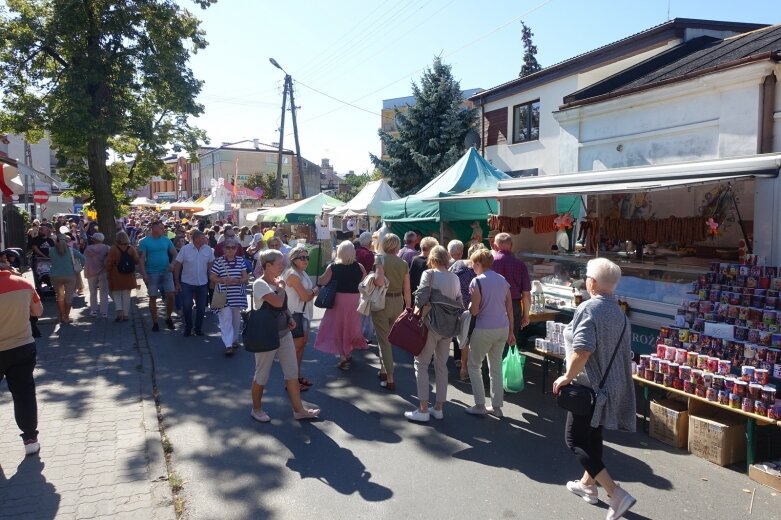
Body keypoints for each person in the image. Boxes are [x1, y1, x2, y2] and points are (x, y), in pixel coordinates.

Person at [553, 258, 636, 520]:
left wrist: (567, 376)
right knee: (593, 437)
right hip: (608, 389)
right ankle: (588, 485)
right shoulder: (620, 314)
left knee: (575, 440)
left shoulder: (589, 308)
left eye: (587, 277)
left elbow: (583, 349)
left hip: (588, 388)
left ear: (593, 282)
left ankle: (615, 492)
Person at [250, 249, 320, 422]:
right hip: (266, 336)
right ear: (267, 266)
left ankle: (299, 409)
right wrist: (281, 288)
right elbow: (278, 301)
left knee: (292, 372)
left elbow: (283, 306)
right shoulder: (260, 284)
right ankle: (256, 409)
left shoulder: (277, 281)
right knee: (262, 375)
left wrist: (289, 317)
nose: (282, 266)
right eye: (279, 263)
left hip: (284, 333)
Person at [404, 245, 463, 422]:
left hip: (431, 323)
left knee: (421, 364)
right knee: (441, 366)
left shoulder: (429, 274)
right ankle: (438, 408)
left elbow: (421, 298)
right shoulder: (454, 277)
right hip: (449, 327)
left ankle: (422, 409)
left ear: (433, 259)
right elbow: (459, 300)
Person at [0, 260, 44, 456]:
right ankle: (30, 438)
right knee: (24, 393)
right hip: (22, 346)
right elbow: (38, 311)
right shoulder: (24, 284)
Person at [465, 248, 514, 417]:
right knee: (496, 367)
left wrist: (470, 307)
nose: (472, 267)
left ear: (478, 264)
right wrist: (511, 331)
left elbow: (475, 311)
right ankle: (497, 406)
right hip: (502, 327)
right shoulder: (502, 280)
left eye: (473, 264)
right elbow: (510, 308)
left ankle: (480, 405)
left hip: (484, 328)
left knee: (474, 365)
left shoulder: (476, 281)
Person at [313, 241, 368, 370]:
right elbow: (364, 282)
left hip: (338, 299)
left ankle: (343, 357)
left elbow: (323, 281)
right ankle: (347, 352)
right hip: (355, 299)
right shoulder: (359, 267)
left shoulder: (333, 267)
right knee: (351, 326)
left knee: (338, 327)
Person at [371, 233, 411, 391]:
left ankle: (390, 377)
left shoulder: (380, 259)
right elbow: (407, 289)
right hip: (398, 301)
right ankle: (383, 370)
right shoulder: (403, 263)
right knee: (388, 339)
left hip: (383, 301)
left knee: (383, 340)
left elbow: (379, 281)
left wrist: (371, 279)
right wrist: (408, 308)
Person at [284, 247, 320, 390]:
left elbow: (306, 295)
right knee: (294, 349)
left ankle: (297, 377)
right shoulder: (293, 274)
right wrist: (314, 291)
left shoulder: (301, 272)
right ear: (294, 259)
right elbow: (305, 296)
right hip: (295, 314)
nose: (306, 260)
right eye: (302, 258)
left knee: (301, 345)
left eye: (307, 257)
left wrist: (310, 292)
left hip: (303, 313)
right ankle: (290, 382)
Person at [209, 237, 248, 356]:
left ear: (237, 249)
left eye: (233, 247)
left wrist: (237, 280)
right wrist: (223, 279)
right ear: (223, 249)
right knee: (226, 319)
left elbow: (245, 278)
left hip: (237, 294)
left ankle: (234, 340)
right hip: (223, 295)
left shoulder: (241, 261)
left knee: (236, 319)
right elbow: (212, 277)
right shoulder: (219, 261)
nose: (230, 250)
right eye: (228, 247)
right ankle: (228, 345)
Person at [138, 220, 178, 332]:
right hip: (152, 272)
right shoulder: (144, 242)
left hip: (166, 271)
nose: (163, 230)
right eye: (161, 228)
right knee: (153, 297)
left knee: (171, 295)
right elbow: (141, 259)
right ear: (154, 228)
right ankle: (155, 322)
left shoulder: (166, 240)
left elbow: (175, 253)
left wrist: (173, 264)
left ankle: (168, 317)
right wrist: (144, 274)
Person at [492, 232, 532, 342]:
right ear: (511, 245)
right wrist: (526, 316)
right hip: (514, 306)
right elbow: (526, 294)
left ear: (494, 246)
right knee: (511, 341)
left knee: (493, 343)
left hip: (493, 304)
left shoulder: (490, 263)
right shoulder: (520, 265)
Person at [174, 230, 214, 337]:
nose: (205, 239)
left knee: (201, 308)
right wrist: (177, 282)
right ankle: (188, 327)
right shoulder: (185, 249)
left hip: (202, 283)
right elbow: (177, 266)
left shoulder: (208, 250)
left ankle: (198, 329)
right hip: (187, 283)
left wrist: (212, 280)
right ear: (195, 239)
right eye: (202, 238)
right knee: (187, 306)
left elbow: (210, 266)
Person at [449, 240, 478, 379]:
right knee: (472, 338)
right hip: (473, 308)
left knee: (463, 338)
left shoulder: (457, 265)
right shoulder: (476, 271)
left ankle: (463, 368)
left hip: (457, 306)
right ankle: (469, 369)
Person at [48, 234, 85, 324]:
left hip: (55, 276)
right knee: (68, 297)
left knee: (59, 296)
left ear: (57, 241)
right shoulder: (71, 250)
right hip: (70, 275)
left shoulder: (51, 250)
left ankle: (61, 315)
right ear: (67, 241)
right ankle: (66, 317)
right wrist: (81, 266)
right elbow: (83, 258)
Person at [105, 231, 140, 322]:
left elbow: (109, 262)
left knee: (116, 294)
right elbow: (136, 260)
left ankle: (119, 313)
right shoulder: (131, 248)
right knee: (126, 295)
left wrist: (108, 271)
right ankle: (126, 315)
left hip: (116, 274)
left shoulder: (113, 249)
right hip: (128, 275)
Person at [84, 232, 110, 318]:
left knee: (92, 292)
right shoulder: (107, 248)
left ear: (94, 240)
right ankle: (104, 312)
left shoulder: (88, 249)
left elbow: (85, 259)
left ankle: (94, 310)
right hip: (103, 271)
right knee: (104, 292)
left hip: (91, 272)